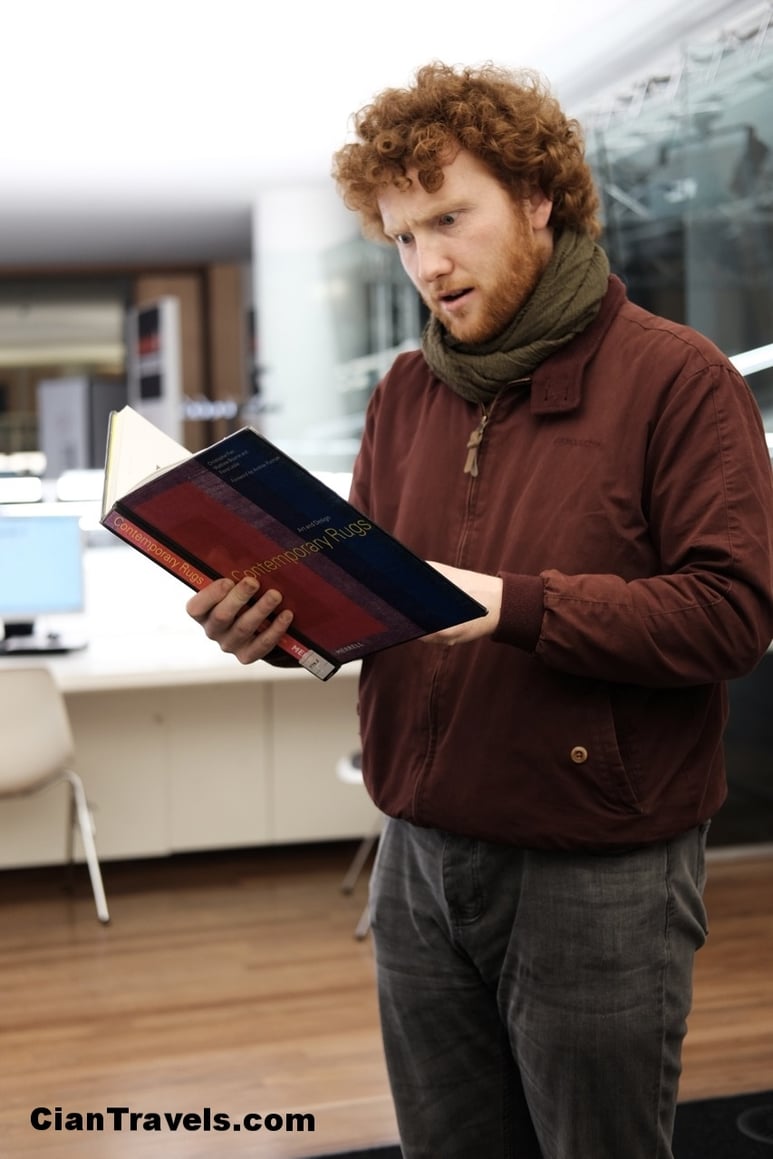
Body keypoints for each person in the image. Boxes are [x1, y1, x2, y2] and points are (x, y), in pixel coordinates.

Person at [186, 63, 773, 1159]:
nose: (428, 264)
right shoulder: (406, 392)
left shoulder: (678, 381)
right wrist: (276, 626)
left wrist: (509, 606)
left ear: (539, 197)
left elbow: (731, 616)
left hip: (597, 866)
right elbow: (362, 594)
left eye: (451, 219)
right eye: (402, 237)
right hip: (416, 854)